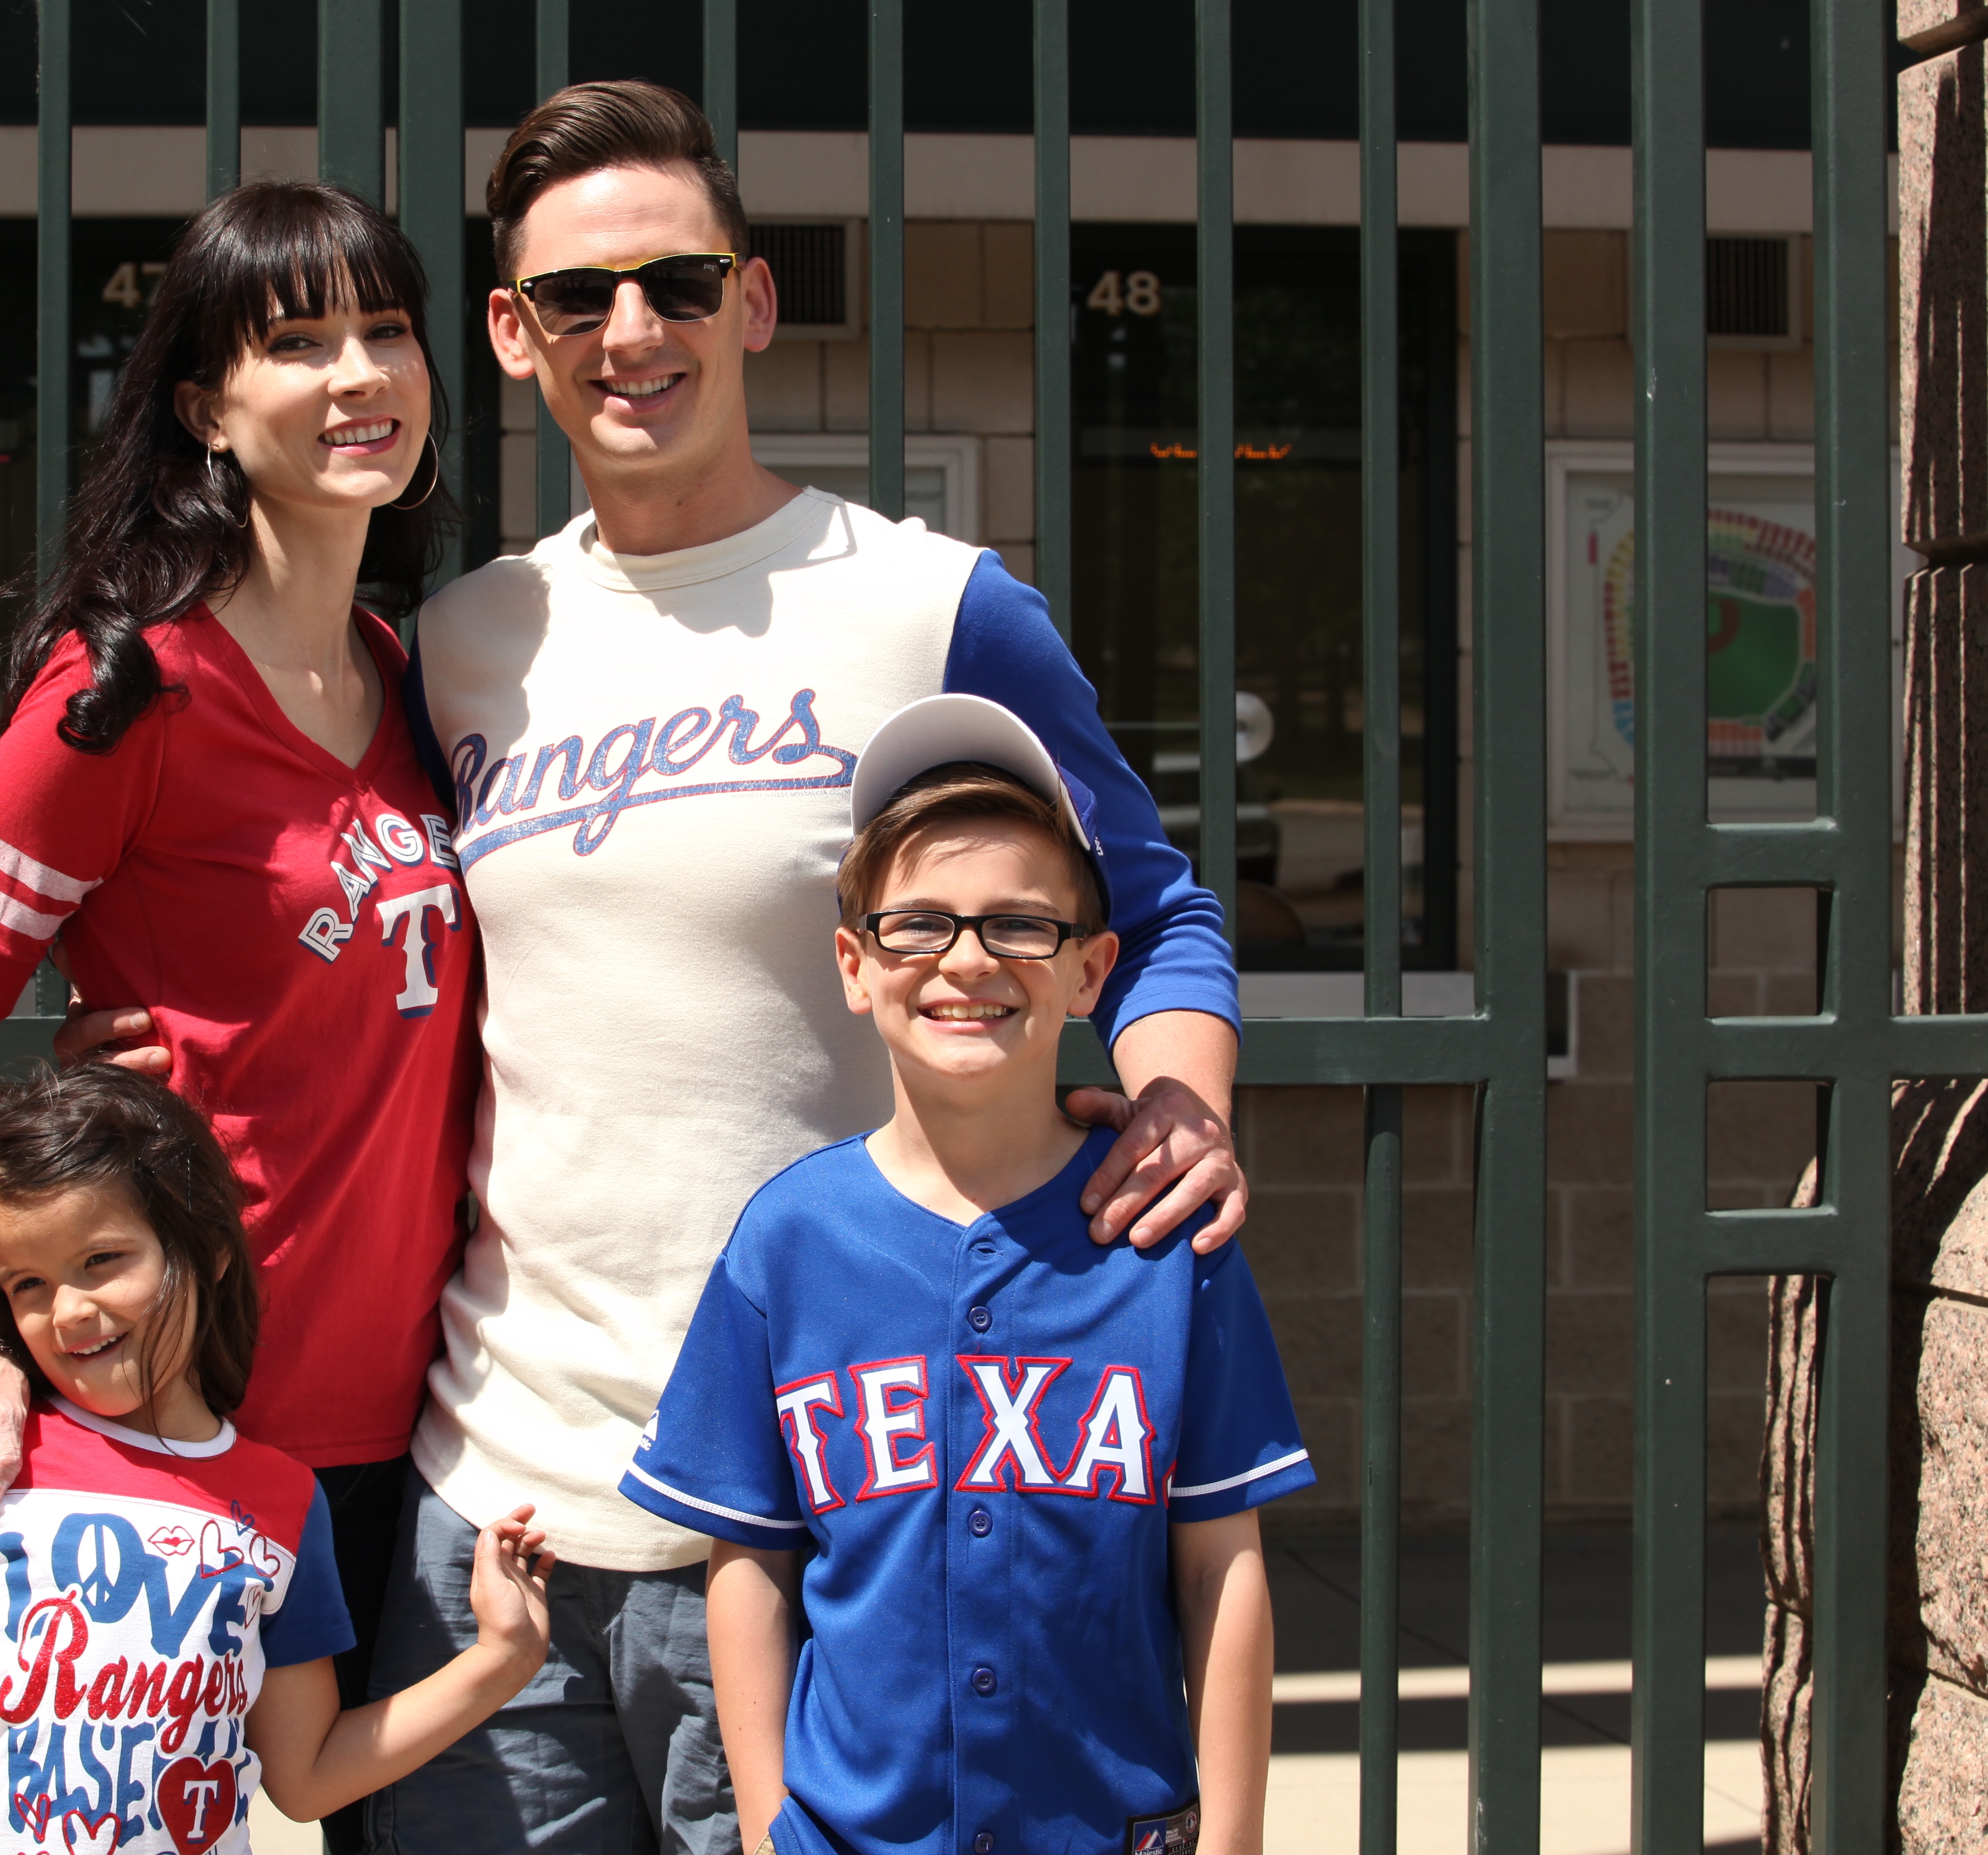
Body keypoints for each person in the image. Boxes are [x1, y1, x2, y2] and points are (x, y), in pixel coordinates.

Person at [370, 81, 1253, 1852]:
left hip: (820, 1527)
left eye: (680, 284)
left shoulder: (933, 605)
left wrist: (1175, 1106)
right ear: (511, 333)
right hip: (498, 1524)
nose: (634, 333)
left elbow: (1159, 910)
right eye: (576, 297)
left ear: (754, 304)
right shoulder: (461, 646)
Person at [0, 180, 484, 1820]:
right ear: (207, 403)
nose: (361, 376)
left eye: (388, 331)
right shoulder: (122, 690)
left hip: (422, 1423)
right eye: (298, 342)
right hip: (186, 1422)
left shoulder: (419, 678)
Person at [623, 697, 1312, 1855]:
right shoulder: (788, 1242)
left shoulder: (1164, 1239)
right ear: (854, 964)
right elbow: (750, 1563)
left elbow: (1221, 1566)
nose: (967, 960)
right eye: (920, 925)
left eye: (1019, 927)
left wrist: (1232, 1840)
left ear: (1094, 970)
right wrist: (763, 1824)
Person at [0, 1064, 556, 1855]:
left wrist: (500, 1661)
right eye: (28, 1284)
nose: (69, 1310)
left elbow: (307, 1777)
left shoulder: (283, 1501)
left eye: (102, 1259)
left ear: (205, 1252)